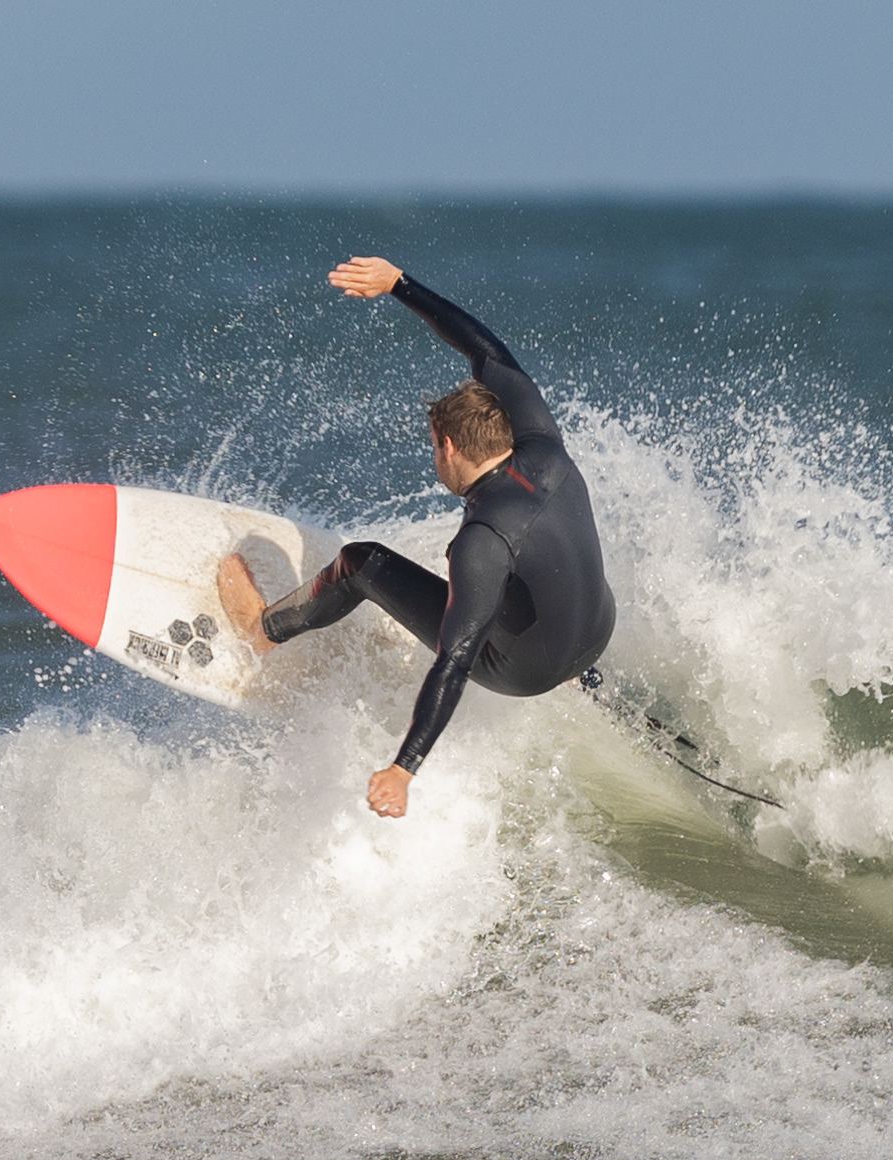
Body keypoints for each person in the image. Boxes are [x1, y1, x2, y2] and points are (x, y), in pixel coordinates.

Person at [219, 257, 617, 821]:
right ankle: (582, 674)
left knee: (361, 563)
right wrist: (399, 284)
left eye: (433, 448)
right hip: (596, 632)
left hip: (527, 671)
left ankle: (261, 629)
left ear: (450, 446)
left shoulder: (481, 538)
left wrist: (404, 769)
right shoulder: (543, 443)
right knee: (536, 560)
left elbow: (453, 662)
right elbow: (487, 352)